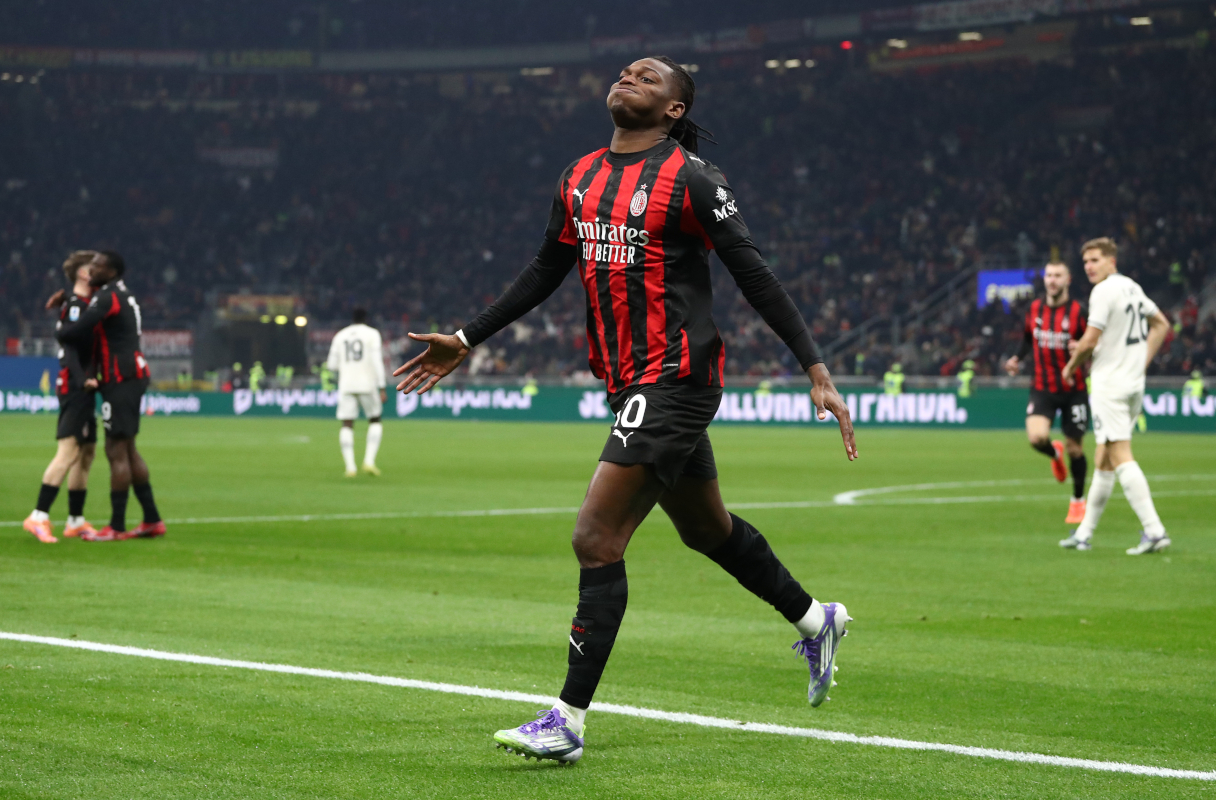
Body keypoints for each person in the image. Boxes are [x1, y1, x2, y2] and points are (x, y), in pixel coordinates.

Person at [393, 56, 857, 765]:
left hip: (675, 377)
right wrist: (465, 337)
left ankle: (568, 720)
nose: (630, 76)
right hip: (626, 380)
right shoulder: (578, 176)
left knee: (595, 536)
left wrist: (815, 367)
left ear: (674, 108)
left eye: (649, 76)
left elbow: (752, 271)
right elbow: (548, 267)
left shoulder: (693, 177)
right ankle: (815, 619)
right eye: (625, 71)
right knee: (708, 530)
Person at [1058, 238, 1170, 554]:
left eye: (1095, 260)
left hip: (1110, 385)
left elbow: (1091, 340)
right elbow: (1160, 324)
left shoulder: (1103, 291)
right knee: (1103, 459)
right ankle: (1084, 533)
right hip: (1132, 383)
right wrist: (1140, 361)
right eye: (1086, 262)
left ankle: (1154, 530)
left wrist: (1071, 365)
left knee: (1120, 453)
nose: (1089, 267)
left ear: (1111, 261)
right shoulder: (1131, 287)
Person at [54, 251, 164, 542]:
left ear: (112, 270)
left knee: (116, 450)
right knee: (127, 449)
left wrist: (60, 323)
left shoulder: (106, 296)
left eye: (99, 265)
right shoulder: (120, 293)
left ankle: (116, 527)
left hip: (121, 378)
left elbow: (77, 330)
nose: (93, 268)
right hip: (131, 374)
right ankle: (152, 520)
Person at [1003, 262, 1091, 524]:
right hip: (1042, 387)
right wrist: (1016, 358)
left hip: (1074, 389)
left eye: (1057, 276)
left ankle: (1077, 501)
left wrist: (1083, 348)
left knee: (1076, 448)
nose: (1052, 280)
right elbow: (1029, 338)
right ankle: (1054, 453)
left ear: (1068, 279)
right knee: (1036, 438)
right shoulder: (1034, 308)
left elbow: (1096, 343)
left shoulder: (1079, 311)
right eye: (1049, 276)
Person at [23, 251, 101, 543]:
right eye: (92, 268)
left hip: (85, 386)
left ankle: (75, 521)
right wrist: (83, 380)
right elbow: (69, 347)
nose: (97, 271)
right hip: (75, 386)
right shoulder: (77, 307)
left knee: (86, 452)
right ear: (82, 274)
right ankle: (38, 516)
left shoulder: (83, 304)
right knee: (68, 451)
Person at [326, 308, 387, 477]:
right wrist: (382, 386)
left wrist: (347, 368)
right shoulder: (372, 334)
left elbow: (331, 365)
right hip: (367, 384)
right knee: (374, 420)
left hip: (346, 384)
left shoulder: (340, 336)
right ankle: (369, 461)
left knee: (347, 424)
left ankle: (350, 467)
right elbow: (377, 362)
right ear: (366, 318)